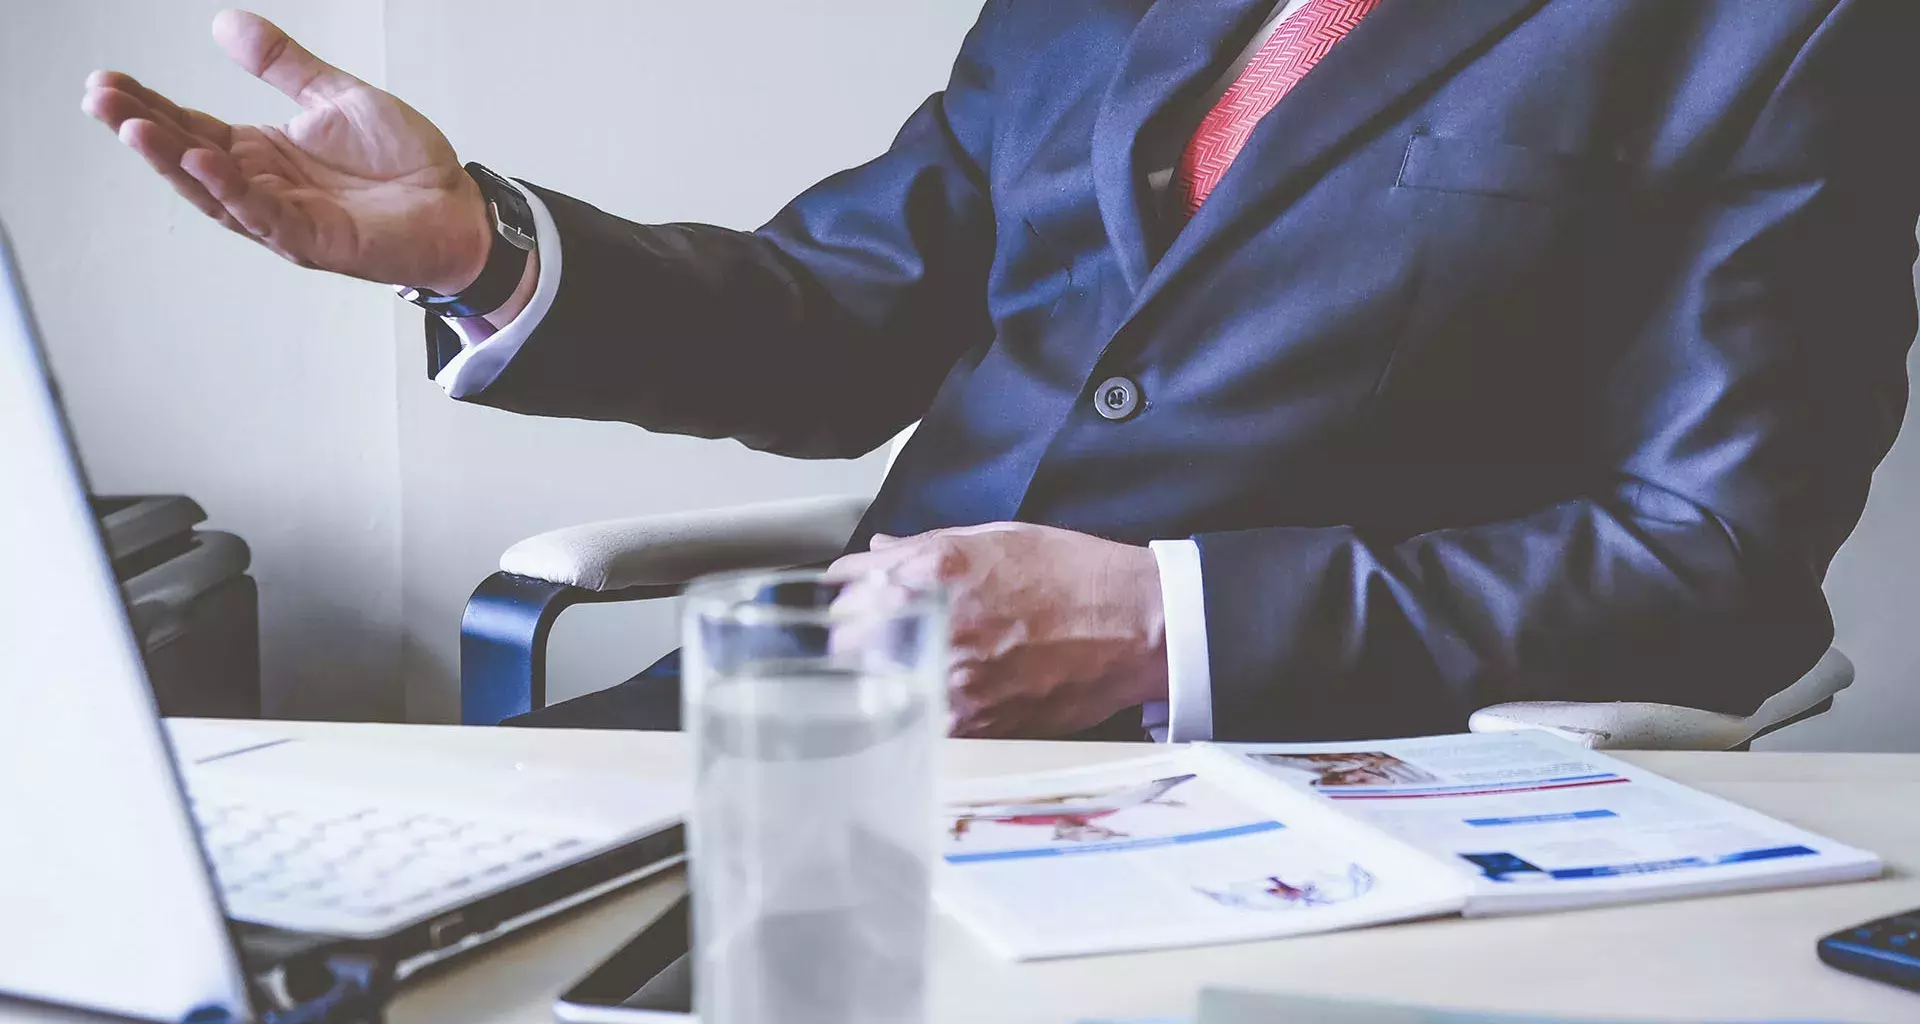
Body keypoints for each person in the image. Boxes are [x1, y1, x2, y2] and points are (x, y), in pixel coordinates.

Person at [82, 1, 1919, 742]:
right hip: (830, 721)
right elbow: (839, 312)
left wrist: (1157, 628)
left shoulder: (1796, 26)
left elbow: (1713, 563)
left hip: (1286, 785)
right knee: (318, 919)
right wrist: (485, 244)